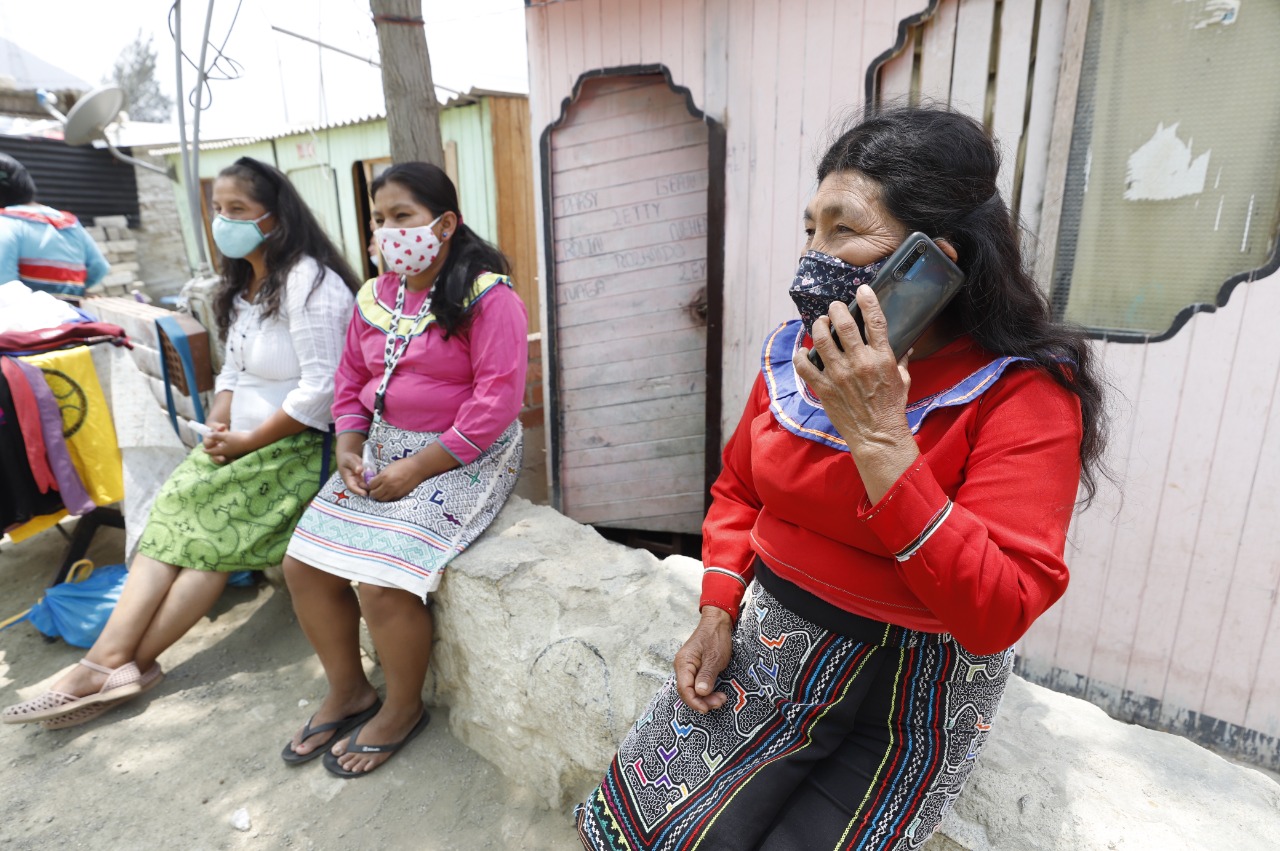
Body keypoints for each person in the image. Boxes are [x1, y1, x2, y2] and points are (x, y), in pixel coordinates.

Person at [576, 106, 1106, 849]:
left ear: (935, 259)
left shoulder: (1022, 393)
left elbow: (998, 607)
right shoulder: (799, 355)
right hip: (767, 647)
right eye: (809, 228)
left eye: (843, 230)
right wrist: (720, 604)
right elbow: (738, 490)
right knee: (636, 825)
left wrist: (879, 435)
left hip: (907, 698)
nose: (812, 257)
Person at [2, 157, 360, 729]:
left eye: (237, 210)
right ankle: (114, 666)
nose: (223, 221)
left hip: (296, 450)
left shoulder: (310, 283)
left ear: (276, 216)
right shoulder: (247, 284)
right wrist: (219, 424)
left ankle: (115, 666)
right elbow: (234, 374)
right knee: (173, 520)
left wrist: (245, 442)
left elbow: (323, 393)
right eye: (218, 209)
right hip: (238, 445)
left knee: (206, 536)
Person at [280, 162, 527, 778]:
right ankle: (348, 691)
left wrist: (417, 468)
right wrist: (348, 443)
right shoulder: (377, 297)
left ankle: (400, 707)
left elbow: (495, 405)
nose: (389, 232)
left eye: (402, 218)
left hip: (461, 453)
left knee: (382, 579)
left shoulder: (490, 300)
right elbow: (350, 382)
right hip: (382, 446)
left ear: (444, 224)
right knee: (303, 564)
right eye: (379, 220)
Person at [0, 153, 110, 301]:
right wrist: (72, 292)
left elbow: (5, 285)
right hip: (75, 315)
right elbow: (100, 268)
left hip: (31, 318)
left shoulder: (6, 222)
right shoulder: (67, 221)